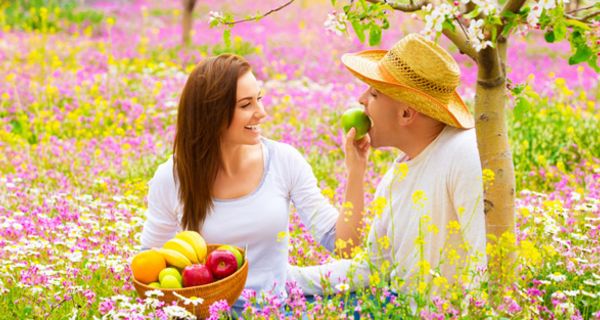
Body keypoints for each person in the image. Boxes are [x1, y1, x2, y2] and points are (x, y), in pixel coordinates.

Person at [139, 53, 370, 313]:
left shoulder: (284, 160)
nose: (261, 113)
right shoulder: (172, 178)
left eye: (259, 98)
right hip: (208, 314)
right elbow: (149, 266)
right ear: (212, 113)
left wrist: (356, 171)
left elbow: (344, 244)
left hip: (274, 310)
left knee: (373, 279)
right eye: (246, 104)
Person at [287, 33, 488, 298]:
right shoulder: (398, 172)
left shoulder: (465, 153)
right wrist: (285, 278)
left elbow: (487, 265)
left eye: (373, 93)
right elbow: (371, 266)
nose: (361, 100)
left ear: (406, 113)